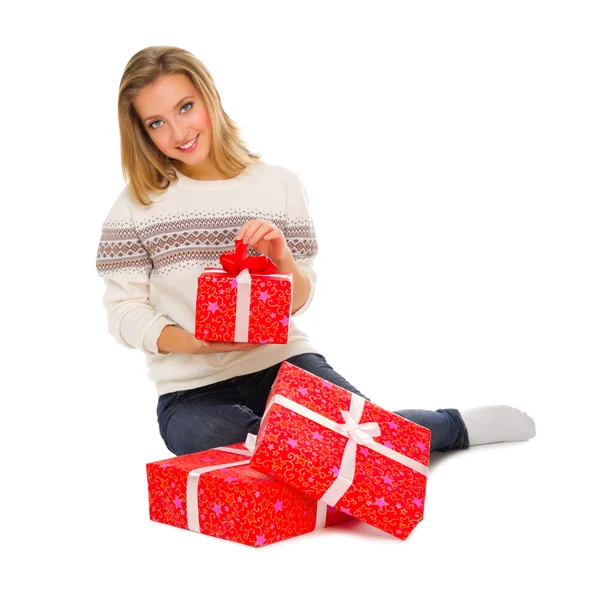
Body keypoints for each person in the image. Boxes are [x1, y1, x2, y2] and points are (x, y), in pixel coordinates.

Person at [96, 45, 536, 457]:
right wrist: (194, 344)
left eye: (185, 107)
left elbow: (300, 301)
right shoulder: (135, 205)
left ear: (208, 100)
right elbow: (124, 311)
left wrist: (281, 257)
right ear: (141, 131)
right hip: (190, 393)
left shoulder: (278, 185)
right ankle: (347, 442)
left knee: (358, 433)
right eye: (156, 123)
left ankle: (453, 427)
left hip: (284, 363)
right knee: (261, 441)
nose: (178, 132)